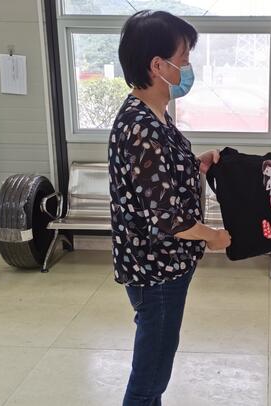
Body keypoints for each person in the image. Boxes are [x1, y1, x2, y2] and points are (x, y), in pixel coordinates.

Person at [109, 10, 231, 406]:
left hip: (165, 265)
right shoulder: (140, 127)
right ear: (157, 66)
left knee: (155, 369)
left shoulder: (155, 116)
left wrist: (196, 164)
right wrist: (212, 236)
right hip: (155, 269)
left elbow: (156, 179)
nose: (188, 68)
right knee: (150, 378)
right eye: (184, 59)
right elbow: (167, 218)